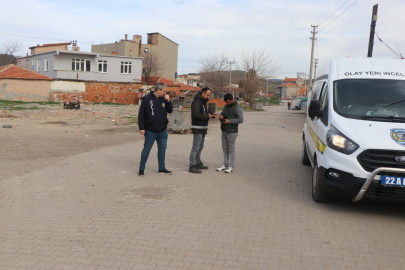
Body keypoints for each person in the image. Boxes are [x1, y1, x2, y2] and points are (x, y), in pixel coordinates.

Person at [138, 82, 173, 177]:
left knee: (162, 150)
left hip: (162, 130)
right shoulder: (146, 99)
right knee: (146, 150)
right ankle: (141, 169)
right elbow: (141, 115)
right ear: (158, 90)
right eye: (164, 91)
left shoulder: (164, 99)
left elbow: (170, 110)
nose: (165, 93)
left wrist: (168, 101)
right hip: (150, 130)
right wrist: (142, 128)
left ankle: (161, 168)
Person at [189, 87, 217, 174]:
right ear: (203, 94)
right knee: (196, 147)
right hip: (197, 128)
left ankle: (198, 162)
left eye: (209, 95)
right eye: (207, 95)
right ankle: (192, 165)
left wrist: (211, 115)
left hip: (203, 128)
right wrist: (208, 116)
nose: (208, 97)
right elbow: (196, 115)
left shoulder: (203, 102)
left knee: (200, 147)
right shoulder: (197, 102)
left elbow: (204, 113)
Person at [217, 93, 244, 173]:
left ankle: (231, 166)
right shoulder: (226, 106)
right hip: (224, 130)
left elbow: (241, 119)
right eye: (226, 102)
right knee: (225, 149)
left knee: (231, 149)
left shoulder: (237, 108)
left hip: (232, 132)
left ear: (232, 100)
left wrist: (229, 121)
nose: (227, 103)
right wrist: (221, 115)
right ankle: (225, 164)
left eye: (228, 102)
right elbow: (223, 113)